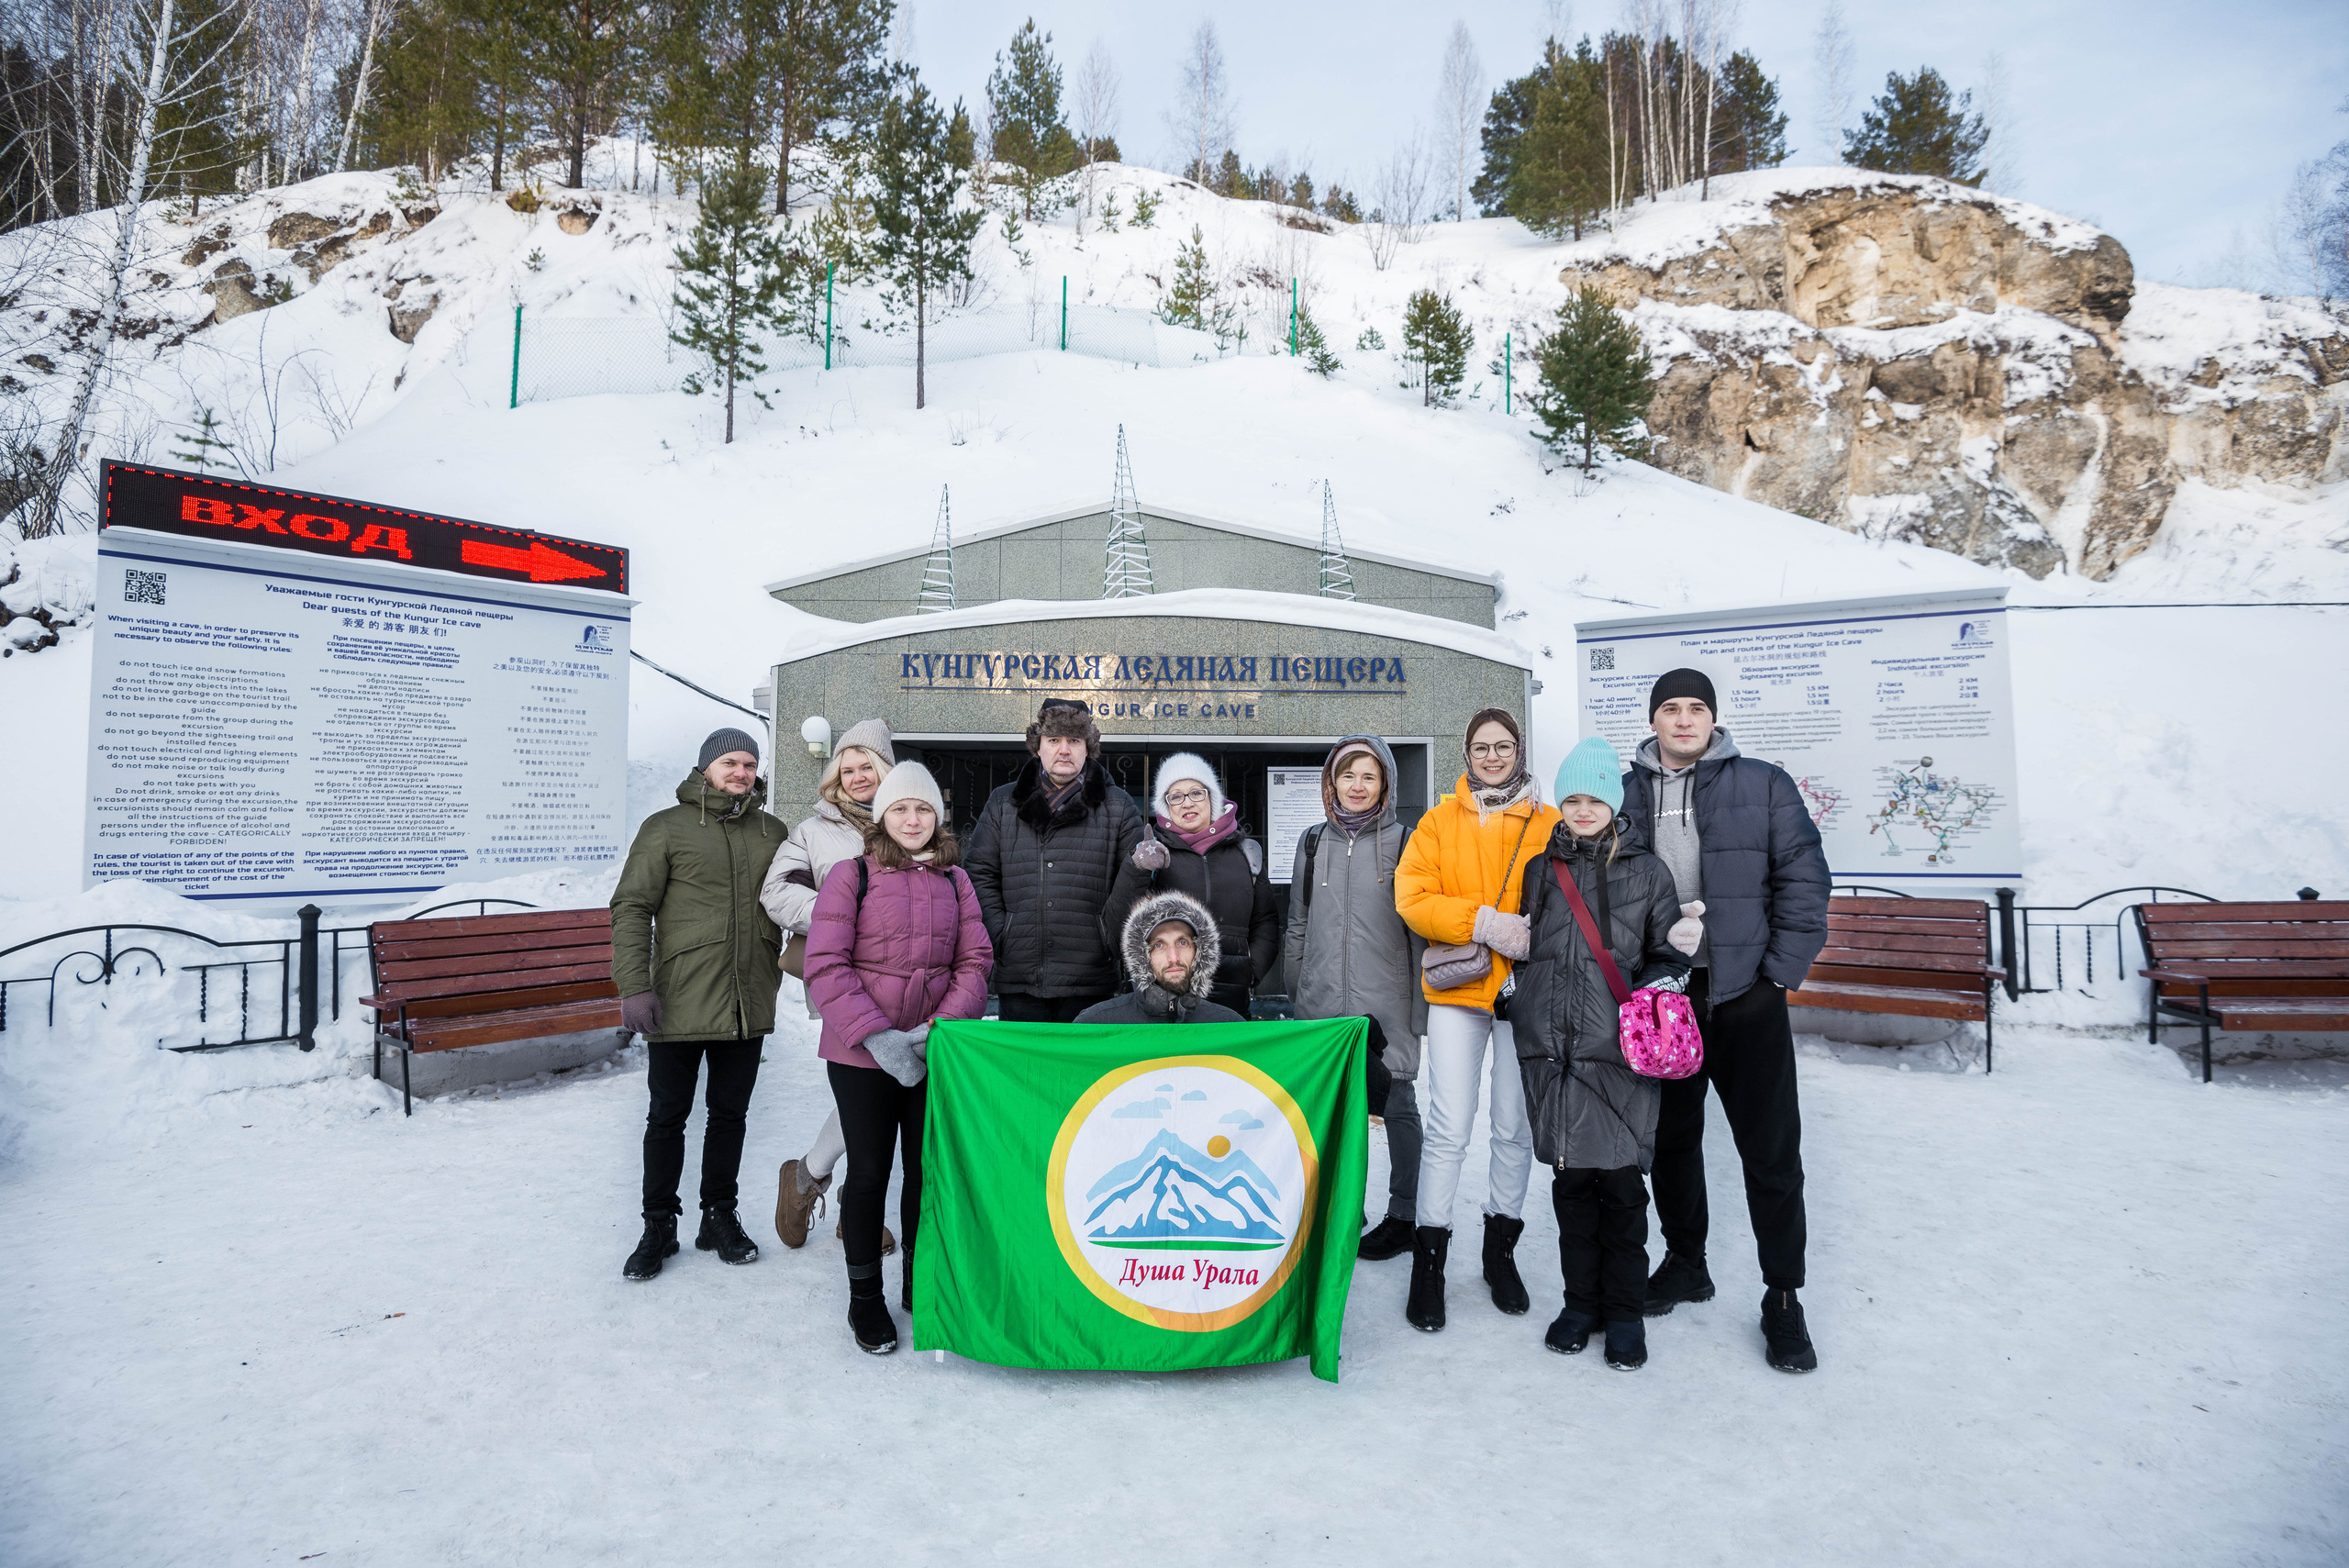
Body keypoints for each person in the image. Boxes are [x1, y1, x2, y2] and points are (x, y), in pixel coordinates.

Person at [1620, 667, 1831, 1373]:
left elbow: (1804, 878)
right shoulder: (1627, 792)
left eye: (1697, 707)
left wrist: (1777, 975)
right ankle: (1686, 1261)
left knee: (1771, 1152)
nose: (1684, 719)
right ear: (1653, 720)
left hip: (1746, 995)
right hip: (1667, 1000)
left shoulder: (1763, 782)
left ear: (1714, 718)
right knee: (1673, 1142)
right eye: (1671, 708)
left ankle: (1782, 1296)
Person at [1511, 737, 1698, 1372]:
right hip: (1554, 1053)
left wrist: (1654, 988)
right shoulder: (1542, 869)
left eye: (1594, 799)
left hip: (1619, 1052)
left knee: (1620, 1192)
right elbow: (1531, 947)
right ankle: (1578, 1304)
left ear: (1614, 803)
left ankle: (1622, 1311)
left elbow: (1671, 955)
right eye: (1571, 799)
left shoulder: (1647, 871)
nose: (1582, 810)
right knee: (1571, 1186)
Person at [803, 762, 992, 1355]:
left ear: (937, 816)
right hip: (862, 1055)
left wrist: (937, 1029)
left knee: (923, 1172)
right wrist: (879, 1035)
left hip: (931, 1051)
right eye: (901, 808)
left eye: (924, 808)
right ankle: (865, 1298)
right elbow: (826, 966)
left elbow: (975, 960)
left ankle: (918, 1278)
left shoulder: (956, 880)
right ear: (883, 815)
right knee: (868, 1174)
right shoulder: (850, 875)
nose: (913, 818)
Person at [1394, 707, 1562, 1331]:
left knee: (1515, 1127)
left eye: (1504, 745)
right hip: (1459, 991)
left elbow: (1573, 899)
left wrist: (1532, 934)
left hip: (1528, 992)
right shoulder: (1438, 821)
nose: (1494, 756)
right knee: (1449, 1125)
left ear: (1520, 749)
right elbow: (1411, 896)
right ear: (1466, 754)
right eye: (1482, 747)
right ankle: (1429, 1262)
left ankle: (1500, 1252)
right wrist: (1482, 922)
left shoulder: (1549, 821)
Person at [611, 728, 788, 1283]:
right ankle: (658, 1225)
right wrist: (634, 986)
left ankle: (719, 1216)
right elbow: (632, 908)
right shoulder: (665, 828)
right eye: (731, 762)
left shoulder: (771, 830)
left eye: (750, 764)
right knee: (667, 1118)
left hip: (746, 998)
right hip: (679, 999)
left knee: (730, 1117)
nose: (741, 771)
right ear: (706, 767)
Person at [1282, 734, 1427, 1262]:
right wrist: (1298, 990)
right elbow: (1298, 921)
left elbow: (1418, 933)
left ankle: (1405, 1213)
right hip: (1320, 1002)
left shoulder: (1407, 841)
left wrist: (1417, 1010)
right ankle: (1344, 1207)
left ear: (1386, 783)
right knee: (1332, 1113)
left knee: (1398, 1106)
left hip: (1385, 1002)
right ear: (1331, 781)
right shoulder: (1312, 841)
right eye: (1348, 775)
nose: (1358, 786)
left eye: (1369, 776)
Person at [760, 717, 899, 1254]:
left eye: (868, 766)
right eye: (848, 768)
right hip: (844, 978)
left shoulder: (911, 821)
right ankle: (824, 1189)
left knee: (882, 1087)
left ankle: (822, 1188)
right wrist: (845, 911)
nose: (859, 776)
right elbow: (777, 894)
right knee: (868, 1088)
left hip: (906, 980)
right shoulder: (814, 832)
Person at [966, 699, 1144, 1021]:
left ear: (1088, 748)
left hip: (1090, 979)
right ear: (1038, 747)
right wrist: (1002, 933)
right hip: (1020, 977)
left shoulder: (1119, 806)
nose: (1064, 750)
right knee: (1025, 1071)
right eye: (1054, 740)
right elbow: (979, 873)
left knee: (1086, 1071)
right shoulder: (1003, 802)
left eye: (1074, 741)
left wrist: (1108, 939)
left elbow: (1134, 885)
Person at [1111, 752, 1280, 1018]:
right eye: (1175, 796)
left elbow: (1266, 920)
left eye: (1196, 793)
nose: (1187, 803)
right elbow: (1120, 924)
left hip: (1231, 997)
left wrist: (1251, 969)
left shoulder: (1246, 852)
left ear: (1211, 797)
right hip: (1166, 999)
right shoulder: (1153, 852)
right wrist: (1137, 869)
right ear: (1165, 806)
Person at [1074, 890, 1247, 1026]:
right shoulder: (1098, 1023)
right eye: (1159, 945)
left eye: (1183, 943)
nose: (1173, 958)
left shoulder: (1227, 1026)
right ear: (1141, 956)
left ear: (1200, 951)